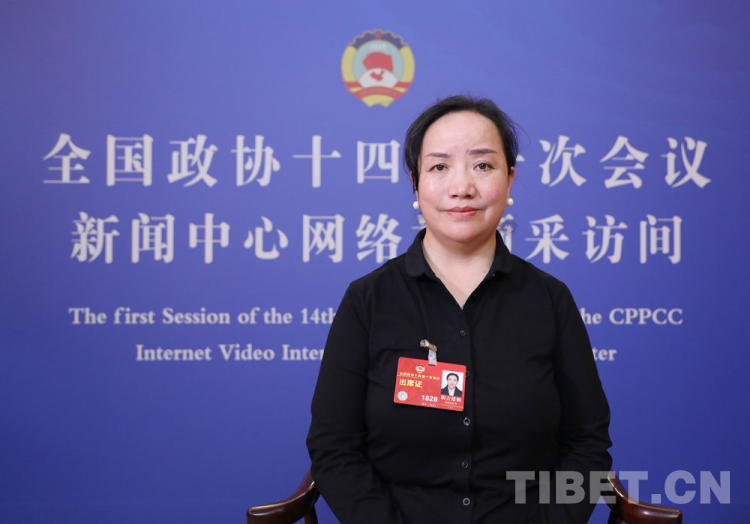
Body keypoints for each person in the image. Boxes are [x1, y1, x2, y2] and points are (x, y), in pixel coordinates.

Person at [307, 95, 612, 523]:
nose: (462, 186)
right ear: (415, 184)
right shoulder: (368, 301)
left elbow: (587, 444)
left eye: (482, 165)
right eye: (439, 167)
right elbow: (334, 447)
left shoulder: (550, 299)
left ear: (510, 180)